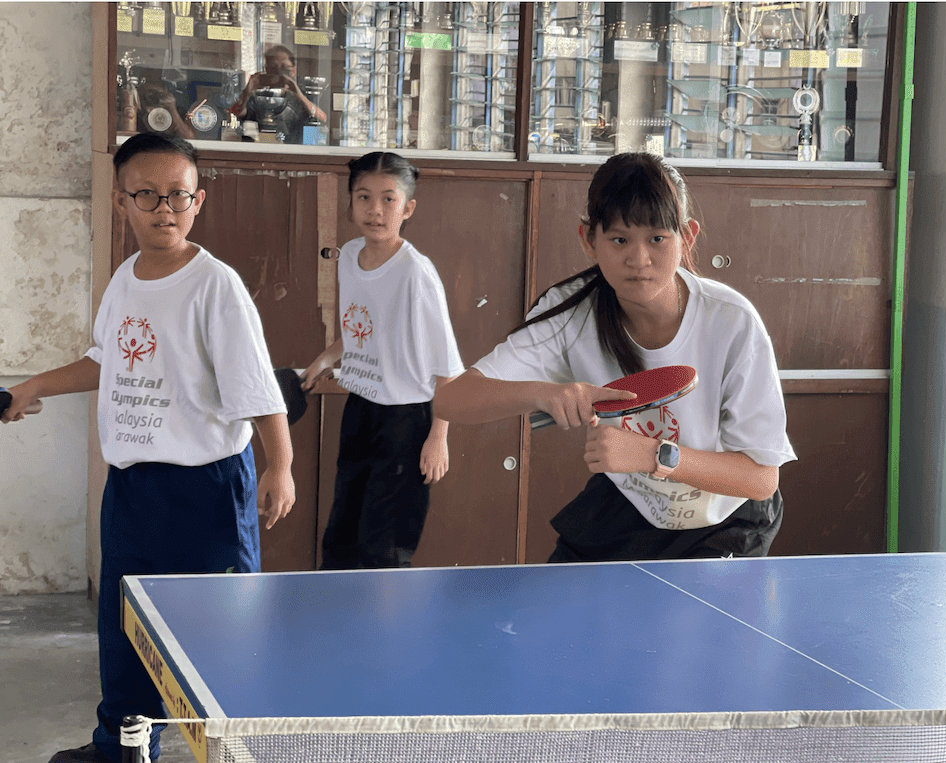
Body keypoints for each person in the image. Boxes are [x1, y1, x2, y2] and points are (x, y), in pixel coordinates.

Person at [1, 133, 296, 763]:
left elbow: (256, 387)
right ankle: (123, 747)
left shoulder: (216, 286)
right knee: (127, 625)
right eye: (147, 195)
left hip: (207, 488)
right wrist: (31, 386)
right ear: (121, 202)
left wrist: (282, 465)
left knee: (218, 631)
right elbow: (104, 361)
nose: (165, 208)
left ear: (198, 201)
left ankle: (233, 751)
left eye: (178, 195)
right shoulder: (125, 280)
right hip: (134, 488)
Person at [434, 152, 796, 563]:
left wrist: (651, 454)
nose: (639, 260)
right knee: (556, 601)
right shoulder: (570, 313)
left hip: (724, 517)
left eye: (657, 238)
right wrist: (544, 393)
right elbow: (451, 400)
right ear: (589, 239)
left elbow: (761, 479)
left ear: (687, 237)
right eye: (620, 239)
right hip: (634, 502)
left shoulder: (732, 322)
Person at [301, 151, 464, 570]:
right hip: (361, 410)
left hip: (406, 420)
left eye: (388, 199)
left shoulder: (416, 274)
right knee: (342, 533)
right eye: (364, 197)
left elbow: (447, 367)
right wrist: (324, 360)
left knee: (384, 547)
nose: (375, 209)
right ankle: (340, 611)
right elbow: (360, 329)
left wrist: (438, 436)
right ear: (350, 202)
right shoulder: (349, 256)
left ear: (407, 208)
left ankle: (385, 612)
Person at [231, 45, 327, 143]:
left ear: (294, 70)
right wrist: (247, 91)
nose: (279, 72)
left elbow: (322, 119)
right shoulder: (258, 95)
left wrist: (297, 93)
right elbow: (236, 113)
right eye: (273, 67)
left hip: (293, 148)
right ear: (266, 69)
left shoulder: (302, 96)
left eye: (284, 68)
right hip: (261, 146)